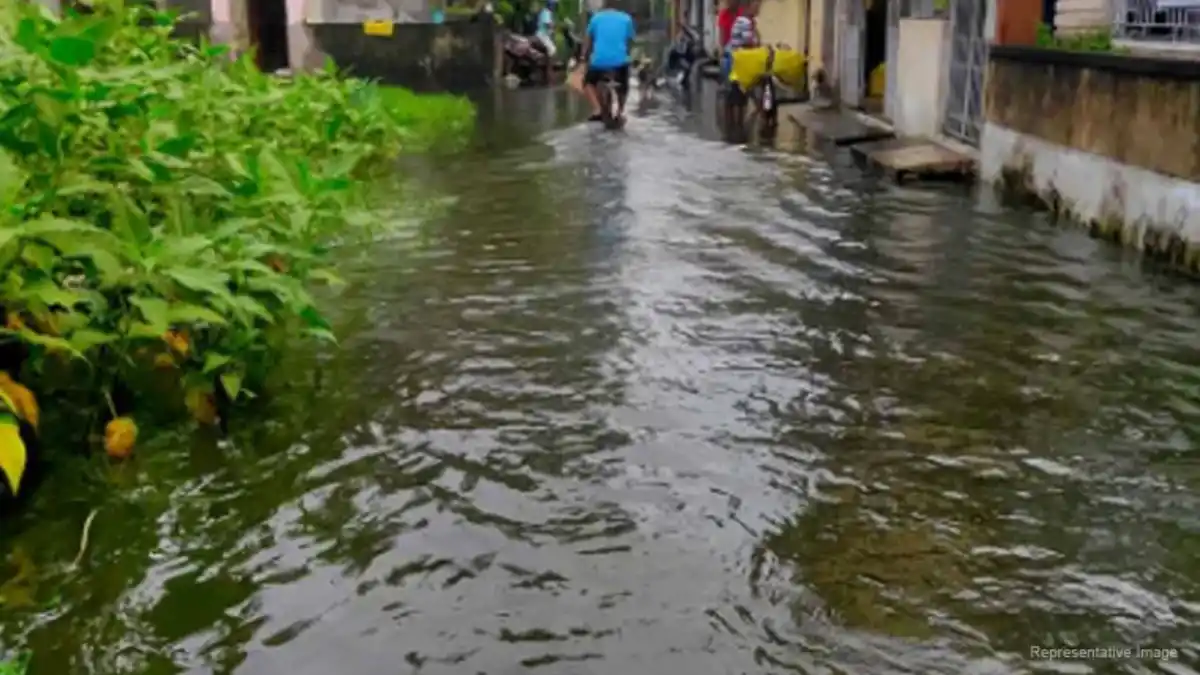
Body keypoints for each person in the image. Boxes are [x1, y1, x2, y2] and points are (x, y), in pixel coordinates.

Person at [581, 1, 635, 122]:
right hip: (620, 63)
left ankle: (597, 109)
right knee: (624, 86)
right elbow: (629, 43)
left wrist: (583, 58)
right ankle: (620, 111)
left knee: (587, 83)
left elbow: (588, 42)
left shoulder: (596, 18)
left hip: (599, 63)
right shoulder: (626, 19)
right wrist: (628, 56)